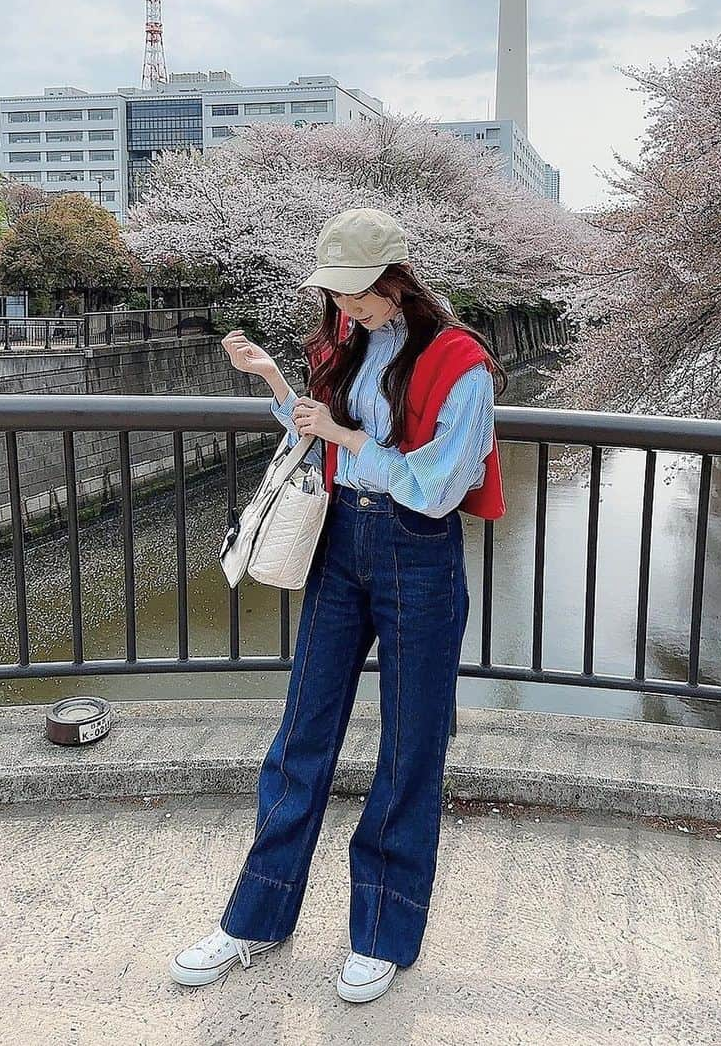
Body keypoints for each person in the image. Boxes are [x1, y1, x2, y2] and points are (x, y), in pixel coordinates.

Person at [169, 207, 507, 1004]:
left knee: (411, 743)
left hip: (417, 553)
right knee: (302, 731)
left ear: (397, 281)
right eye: (337, 293)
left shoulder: (462, 362)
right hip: (339, 546)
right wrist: (275, 382)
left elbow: (440, 484)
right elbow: (311, 435)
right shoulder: (344, 344)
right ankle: (256, 919)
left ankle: (384, 930)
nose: (345, 307)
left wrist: (353, 442)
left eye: (357, 294)